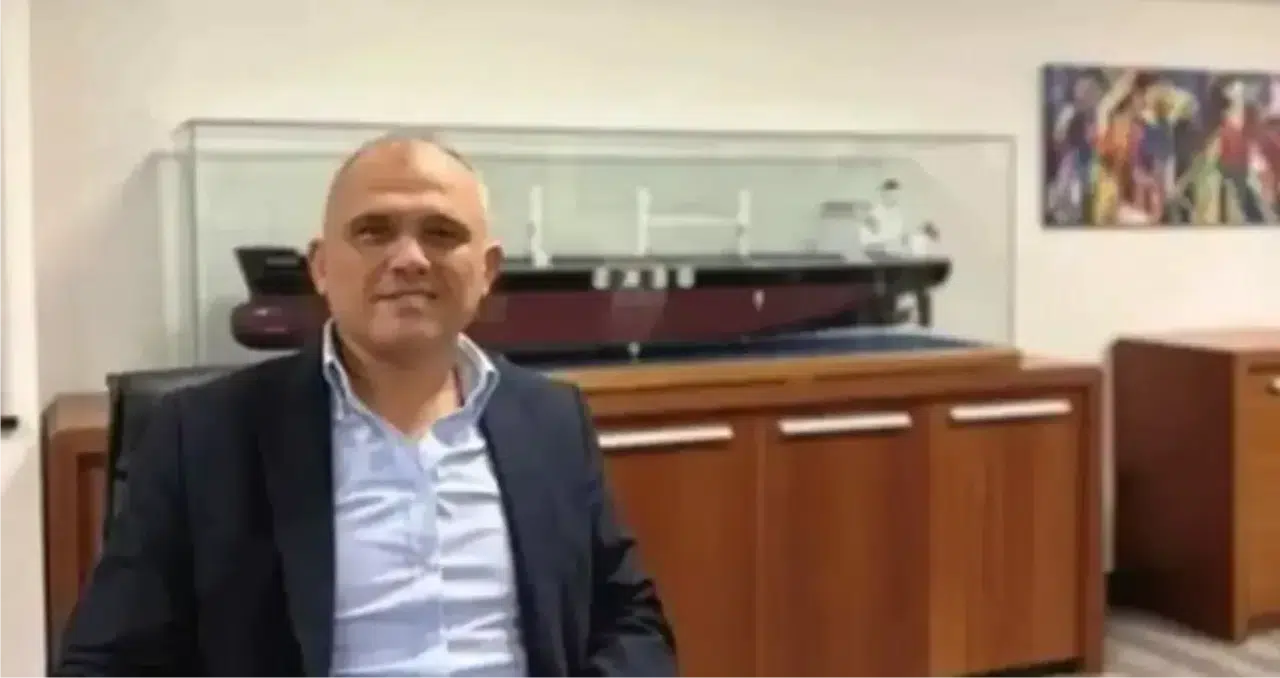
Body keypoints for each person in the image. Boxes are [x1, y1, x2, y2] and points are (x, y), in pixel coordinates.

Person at [55, 133, 677, 678]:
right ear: (322, 267)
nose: (408, 259)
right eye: (373, 232)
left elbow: (630, 620)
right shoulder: (201, 437)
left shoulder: (552, 421)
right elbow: (107, 663)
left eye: (441, 233)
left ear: (487, 270)